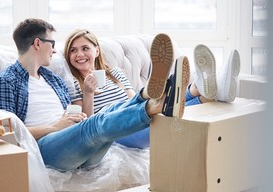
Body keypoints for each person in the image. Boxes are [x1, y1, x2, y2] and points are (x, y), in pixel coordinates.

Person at [0, 18, 183, 172]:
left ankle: (146, 94)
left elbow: (73, 113)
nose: (55, 50)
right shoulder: (6, 81)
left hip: (78, 147)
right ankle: (152, 105)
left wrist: (73, 119)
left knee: (111, 110)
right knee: (97, 121)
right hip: (46, 147)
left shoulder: (53, 79)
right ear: (38, 43)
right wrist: (54, 127)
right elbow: (6, 133)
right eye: (52, 43)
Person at [63, 29, 240, 148]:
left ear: (97, 51)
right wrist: (88, 92)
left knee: (186, 106)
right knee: (160, 113)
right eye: (73, 50)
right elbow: (87, 126)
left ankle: (207, 91)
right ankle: (197, 88)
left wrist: (143, 104)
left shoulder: (115, 73)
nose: (79, 54)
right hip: (114, 130)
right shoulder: (73, 83)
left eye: (85, 48)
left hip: (136, 113)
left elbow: (134, 100)